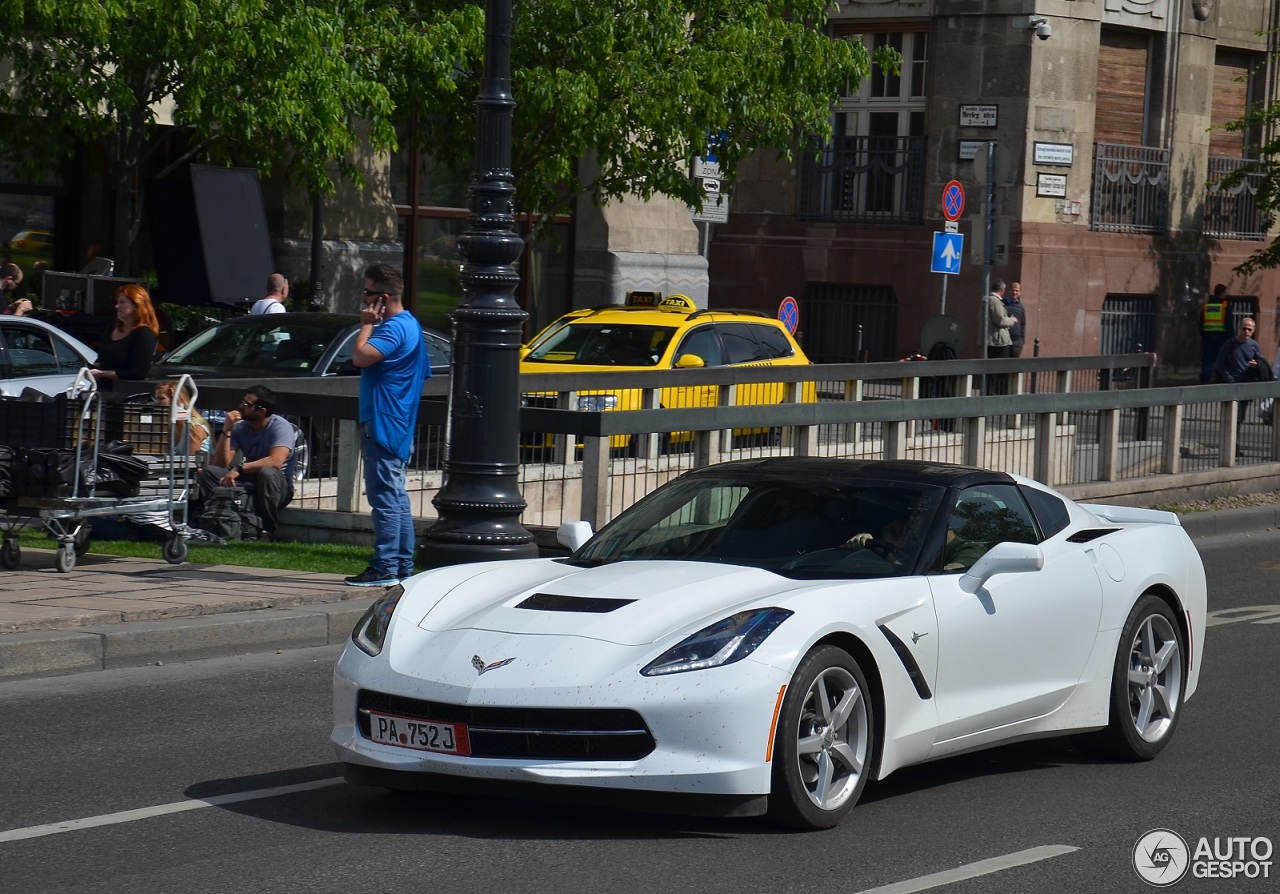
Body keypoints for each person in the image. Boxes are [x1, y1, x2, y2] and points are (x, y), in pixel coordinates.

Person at [344, 264, 430, 587]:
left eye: (366, 292)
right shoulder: (412, 325)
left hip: (385, 421)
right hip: (397, 420)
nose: (361, 298)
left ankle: (386, 566)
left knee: (385, 497)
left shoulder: (393, 328)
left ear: (381, 297)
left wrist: (365, 325)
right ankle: (402, 564)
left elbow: (361, 357)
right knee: (396, 495)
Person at [199, 384, 296, 540]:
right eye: (242, 402)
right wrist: (227, 430)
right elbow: (221, 463)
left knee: (268, 473)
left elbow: (275, 461)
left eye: (247, 405)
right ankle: (211, 519)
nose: (241, 407)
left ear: (262, 411)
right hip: (249, 481)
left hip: (277, 486)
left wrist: (240, 468)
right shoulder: (241, 427)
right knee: (210, 473)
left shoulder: (280, 427)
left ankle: (268, 530)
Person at [90, 283, 160, 391]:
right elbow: (102, 358)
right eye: (117, 302)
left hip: (123, 396)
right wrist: (94, 368)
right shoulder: (112, 327)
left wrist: (102, 373)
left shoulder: (144, 334)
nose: (117, 306)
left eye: (122, 302)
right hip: (100, 392)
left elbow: (138, 373)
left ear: (136, 305)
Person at [153, 379, 212, 457]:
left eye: (161, 399)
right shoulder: (169, 424)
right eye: (156, 399)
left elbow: (192, 460)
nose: (157, 403)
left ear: (175, 399)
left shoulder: (194, 426)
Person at [984, 279, 1016, 395]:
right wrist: (1012, 320)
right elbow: (1000, 320)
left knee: (991, 371)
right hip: (998, 342)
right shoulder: (995, 301)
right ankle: (999, 394)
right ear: (1002, 290)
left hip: (991, 341)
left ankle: (992, 393)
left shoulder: (987, 300)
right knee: (1001, 371)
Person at [1200, 284, 1230, 384]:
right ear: (1222, 293)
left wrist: (1204, 335)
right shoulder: (1225, 306)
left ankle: (1204, 383)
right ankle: (1220, 383)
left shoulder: (1206, 306)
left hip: (1207, 338)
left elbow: (1200, 324)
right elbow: (1228, 325)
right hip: (1222, 338)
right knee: (1222, 361)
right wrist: (1232, 339)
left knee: (1207, 362)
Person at [1004, 282, 1028, 358]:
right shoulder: (1003, 304)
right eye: (1012, 290)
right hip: (1005, 341)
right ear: (1009, 291)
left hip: (1017, 342)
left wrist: (1022, 341)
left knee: (1014, 367)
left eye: (1017, 291)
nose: (1014, 292)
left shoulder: (1021, 307)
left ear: (1020, 292)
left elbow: (1023, 324)